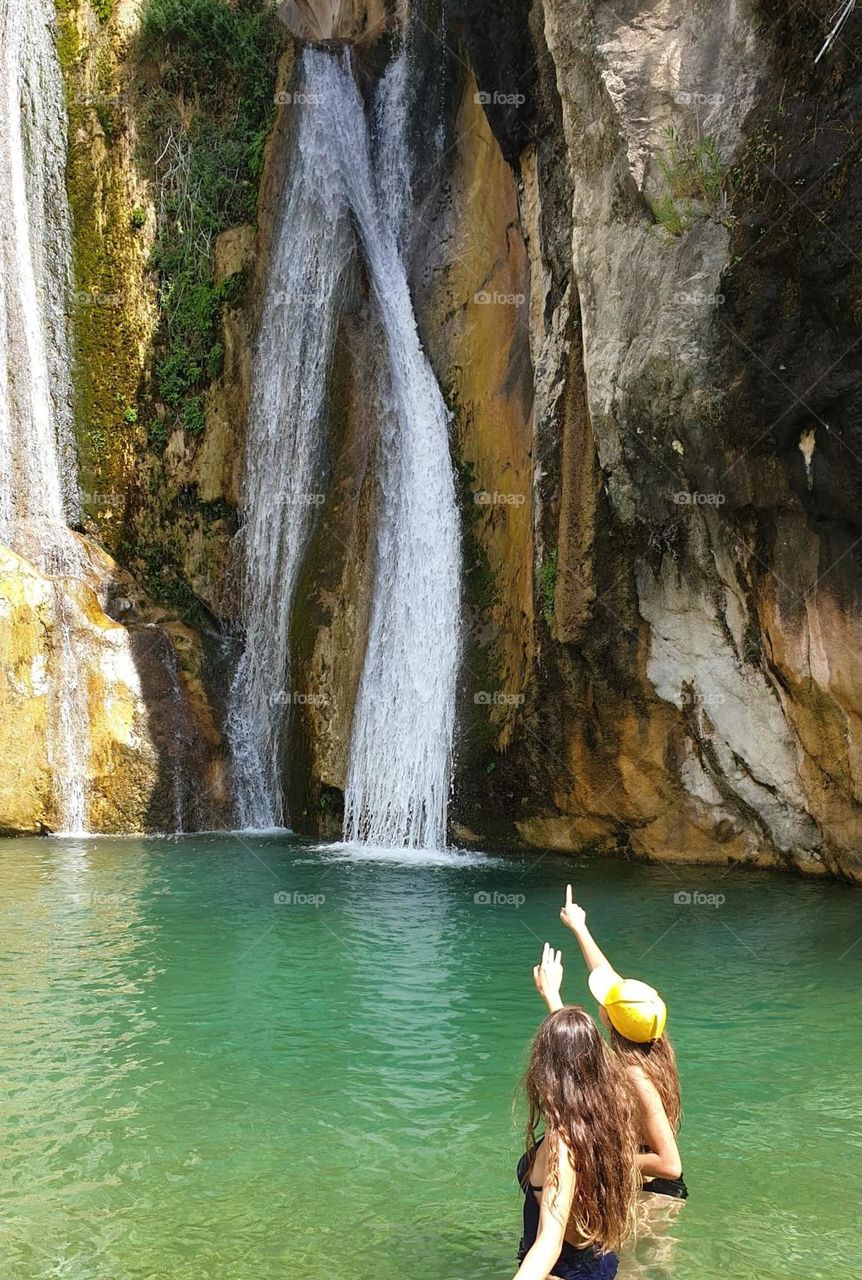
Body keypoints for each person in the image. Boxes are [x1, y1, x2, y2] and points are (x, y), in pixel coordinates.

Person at [533, 887, 687, 1201]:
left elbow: (670, 1165)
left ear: (608, 1019)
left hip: (652, 1196)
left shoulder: (633, 1075)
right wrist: (579, 927)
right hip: (643, 1189)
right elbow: (608, 978)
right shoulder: (651, 1039)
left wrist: (601, 1161)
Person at [511, 1004, 640, 1280]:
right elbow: (577, 1052)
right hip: (600, 1263)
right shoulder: (610, 1118)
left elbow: (549, 1241)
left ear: (544, 1070)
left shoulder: (563, 1141)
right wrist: (552, 997)